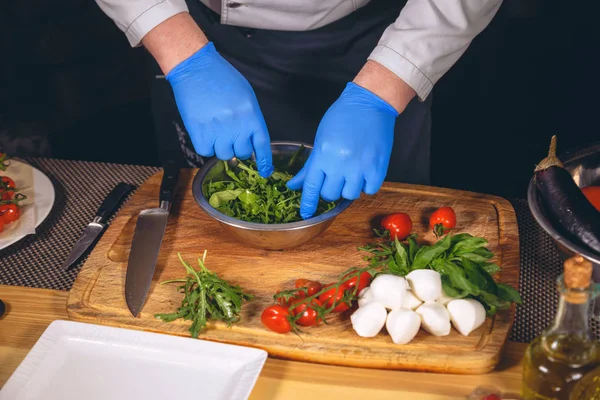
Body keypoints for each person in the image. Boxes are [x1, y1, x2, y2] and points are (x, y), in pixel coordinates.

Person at [95, 0, 502, 219]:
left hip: (370, 42)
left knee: (377, 212)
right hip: (196, 31)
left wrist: (380, 93)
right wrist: (183, 55)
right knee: (198, 195)